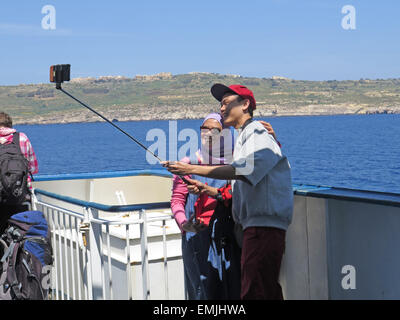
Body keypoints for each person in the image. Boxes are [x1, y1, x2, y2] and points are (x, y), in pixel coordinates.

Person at [164, 84, 293, 300]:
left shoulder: (256, 132)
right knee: (262, 289)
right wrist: (208, 189)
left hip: (263, 228)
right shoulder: (245, 137)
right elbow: (241, 182)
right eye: (220, 104)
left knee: (256, 291)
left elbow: (245, 169)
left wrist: (190, 169)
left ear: (245, 104)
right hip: (252, 228)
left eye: (225, 102)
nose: (221, 108)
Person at [0, 112, 38, 233]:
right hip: (20, 196)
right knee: (21, 233)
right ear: (10, 125)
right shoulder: (22, 137)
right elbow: (33, 168)